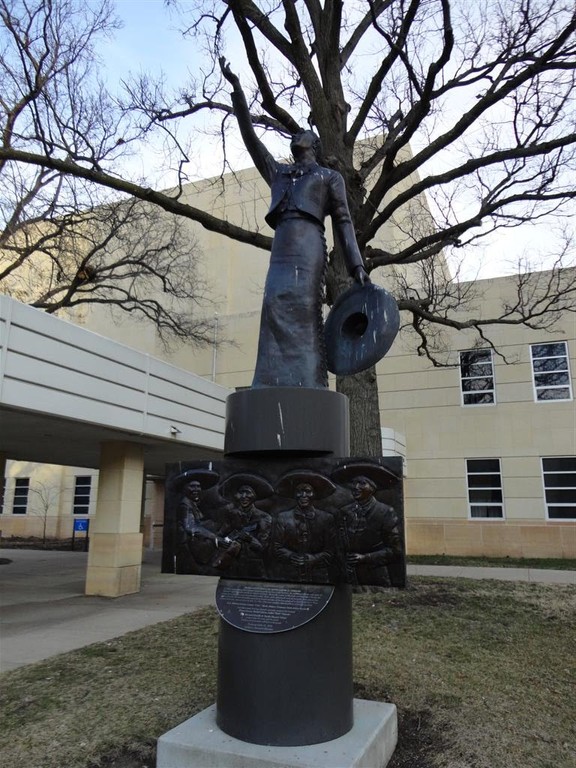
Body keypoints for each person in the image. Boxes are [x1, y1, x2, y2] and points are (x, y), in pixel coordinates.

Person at [221, 59, 370, 389]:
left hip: (308, 246)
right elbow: (251, 140)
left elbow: (343, 222)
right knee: (273, 303)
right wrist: (238, 94)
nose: (296, 135)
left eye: (303, 132)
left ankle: (309, 382)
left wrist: (357, 265)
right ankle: (270, 381)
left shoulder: (328, 177)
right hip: (282, 247)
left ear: (313, 144)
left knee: (303, 310)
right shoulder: (280, 174)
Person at [332, 464, 404, 587]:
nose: (355, 487)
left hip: (375, 577)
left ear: (372, 488)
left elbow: (396, 550)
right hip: (347, 577)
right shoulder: (344, 512)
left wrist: (366, 558)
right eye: (353, 483)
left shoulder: (385, 512)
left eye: (362, 483)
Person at [273, 471, 337, 582]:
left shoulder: (327, 518)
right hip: (289, 575)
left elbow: (332, 549)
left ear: (314, 494)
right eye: (299, 492)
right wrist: (291, 556)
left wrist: (314, 559)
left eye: (308, 491)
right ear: (294, 495)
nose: (303, 496)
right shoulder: (282, 517)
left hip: (318, 576)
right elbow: (276, 547)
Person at [212, 474, 273, 578]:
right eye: (241, 492)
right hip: (234, 564)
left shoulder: (264, 517)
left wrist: (249, 539)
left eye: (248, 492)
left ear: (254, 496)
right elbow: (219, 536)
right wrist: (225, 542)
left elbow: (262, 547)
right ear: (236, 495)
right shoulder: (231, 514)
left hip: (254, 566)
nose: (244, 496)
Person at [174, 469, 219, 574]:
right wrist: (214, 537)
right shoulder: (185, 505)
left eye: (198, 486)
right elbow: (190, 527)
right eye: (192, 486)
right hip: (189, 549)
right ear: (185, 488)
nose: (196, 489)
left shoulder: (192, 504)